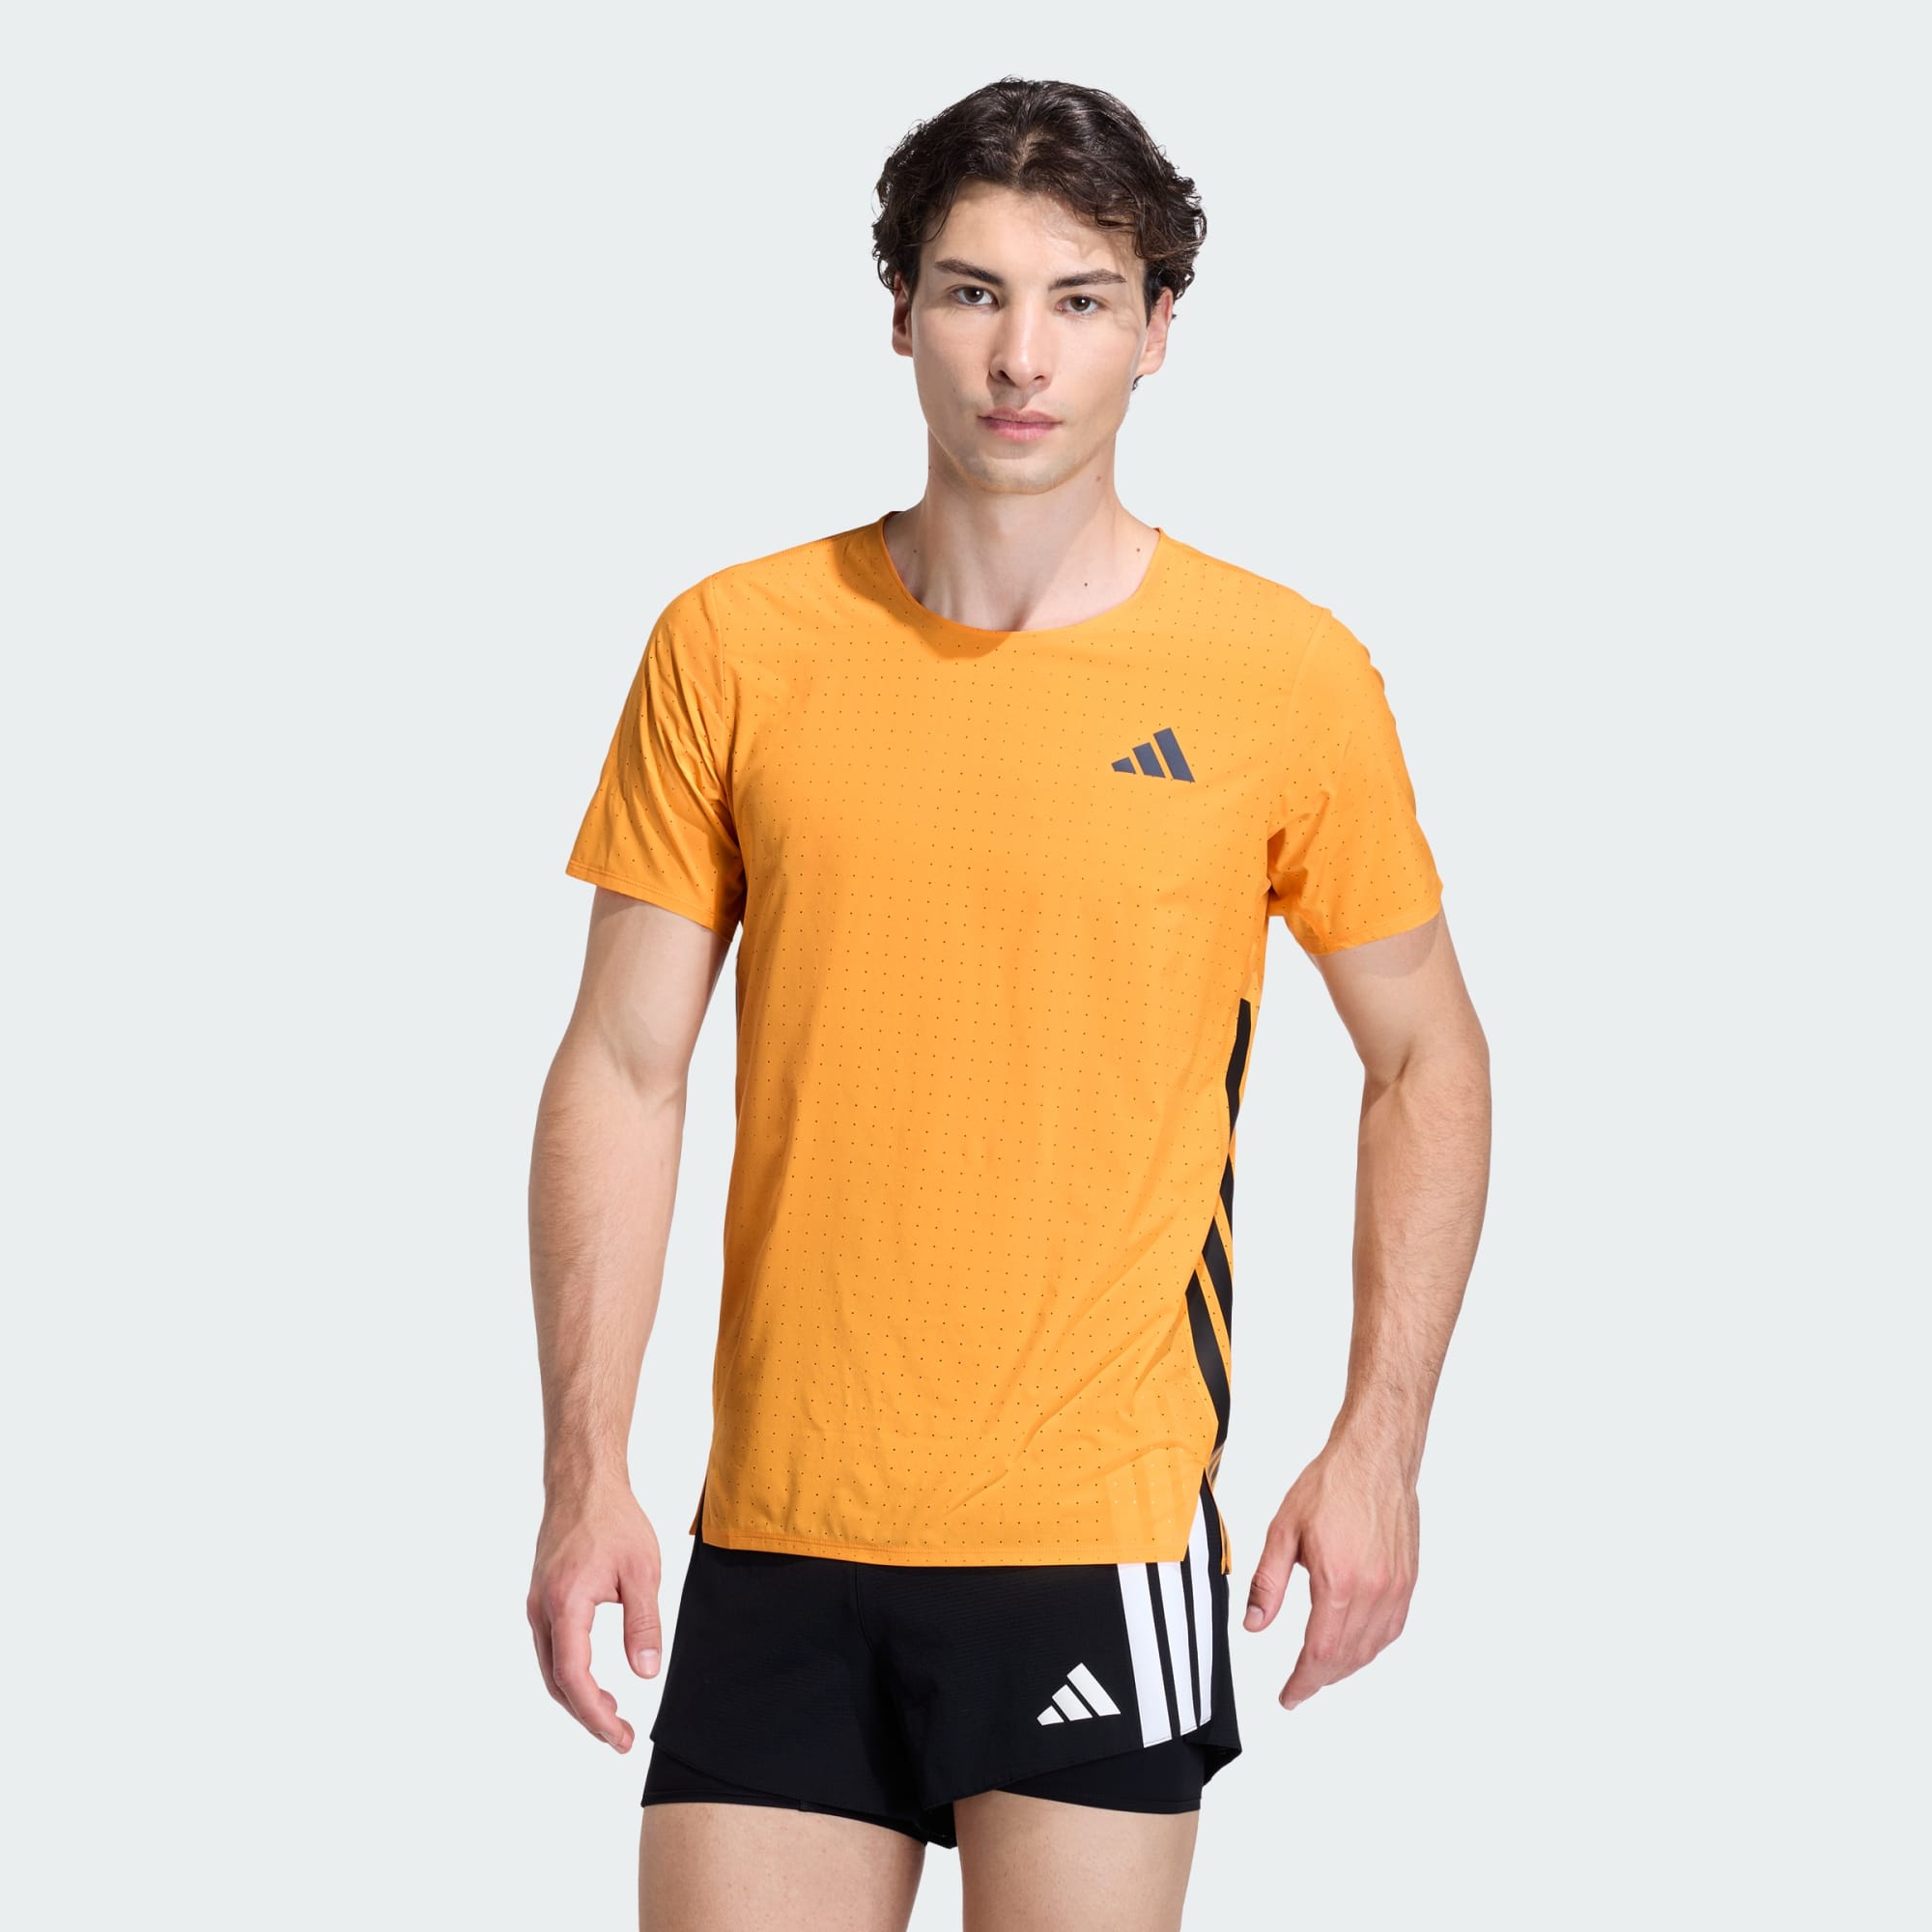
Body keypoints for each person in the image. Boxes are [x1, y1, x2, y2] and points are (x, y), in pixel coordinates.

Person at [526, 74, 1491, 1932]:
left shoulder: (1282, 676)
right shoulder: (733, 645)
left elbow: (1426, 1053)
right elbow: (624, 1070)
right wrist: (586, 1472)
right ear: (900, 312)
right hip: (780, 1529)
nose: (1023, 357)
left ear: (1158, 328)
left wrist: (1381, 1444)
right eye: (973, 292)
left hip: (1097, 1534)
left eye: (1081, 299)